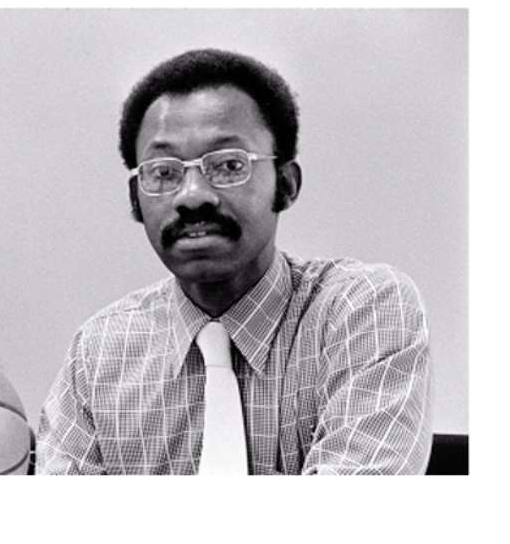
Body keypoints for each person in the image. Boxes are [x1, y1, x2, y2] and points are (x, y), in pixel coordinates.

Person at [36, 48, 431, 475]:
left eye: (227, 165)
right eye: (164, 172)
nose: (192, 196)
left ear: (286, 184)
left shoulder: (361, 311)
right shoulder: (98, 354)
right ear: (136, 198)